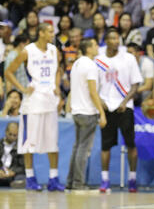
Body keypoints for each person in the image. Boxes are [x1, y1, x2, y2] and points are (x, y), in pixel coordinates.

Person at [5, 23, 64, 192]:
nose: (53, 34)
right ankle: (30, 178)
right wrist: (22, 89)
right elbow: (9, 71)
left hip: (50, 102)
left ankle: (53, 179)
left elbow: (58, 70)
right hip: (32, 103)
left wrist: (57, 86)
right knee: (29, 144)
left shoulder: (54, 50)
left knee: (53, 143)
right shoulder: (28, 51)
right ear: (41, 33)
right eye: (50, 31)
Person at [94, 28, 142, 193]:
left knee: (130, 144)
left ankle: (132, 179)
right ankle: (105, 180)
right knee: (105, 145)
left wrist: (125, 101)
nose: (115, 41)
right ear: (106, 40)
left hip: (124, 107)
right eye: (112, 38)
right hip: (107, 107)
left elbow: (135, 84)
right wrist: (100, 102)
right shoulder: (98, 60)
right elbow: (94, 87)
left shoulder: (128, 58)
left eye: (117, 38)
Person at [67, 38, 107, 190]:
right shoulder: (91, 65)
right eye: (95, 45)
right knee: (83, 149)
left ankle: (71, 182)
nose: (98, 47)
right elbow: (92, 91)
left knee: (77, 147)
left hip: (77, 110)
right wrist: (102, 113)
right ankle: (78, 183)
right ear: (88, 49)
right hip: (87, 112)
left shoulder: (77, 63)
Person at [0, 122, 25, 188]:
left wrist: (13, 172)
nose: (12, 137)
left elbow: (23, 166)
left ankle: (17, 184)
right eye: (10, 134)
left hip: (14, 175)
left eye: (15, 135)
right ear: (6, 132)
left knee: (21, 177)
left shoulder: (21, 147)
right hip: (1, 172)